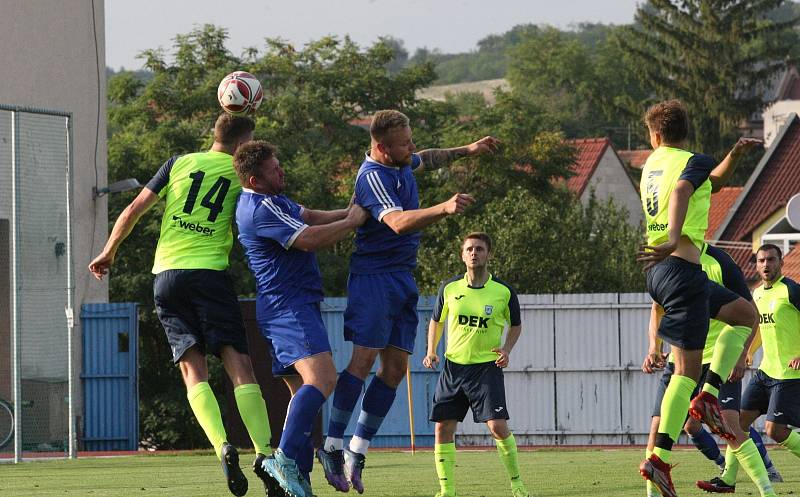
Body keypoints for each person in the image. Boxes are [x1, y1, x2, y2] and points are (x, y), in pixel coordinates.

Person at [316, 109, 500, 493]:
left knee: (396, 369)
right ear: (382, 147)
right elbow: (397, 222)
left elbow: (427, 158)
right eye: (404, 144)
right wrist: (444, 208)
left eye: (411, 140)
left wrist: (469, 148)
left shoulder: (399, 162)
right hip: (373, 279)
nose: (411, 148)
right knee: (363, 361)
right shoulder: (372, 177)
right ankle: (331, 444)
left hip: (401, 276)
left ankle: (357, 448)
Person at [88, 114, 271, 497]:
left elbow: (133, 209)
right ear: (243, 144)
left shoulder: (178, 163)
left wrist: (108, 251)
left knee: (193, 370)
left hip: (167, 277)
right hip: (210, 275)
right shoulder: (241, 171)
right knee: (239, 364)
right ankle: (264, 453)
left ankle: (222, 445)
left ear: (213, 135)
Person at [636, 100, 764, 497]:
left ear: (655, 135)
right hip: (681, 268)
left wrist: (734, 156)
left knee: (746, 315)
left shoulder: (650, 165)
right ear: (684, 131)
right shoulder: (690, 164)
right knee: (685, 372)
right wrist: (674, 237)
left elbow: (713, 182)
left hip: (661, 273)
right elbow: (683, 189)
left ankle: (702, 403)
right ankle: (662, 454)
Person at [233, 140, 369, 497]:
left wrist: (348, 212)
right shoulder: (260, 207)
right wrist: (352, 222)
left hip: (285, 306)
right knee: (324, 378)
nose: (282, 171)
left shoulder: (273, 200)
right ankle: (282, 461)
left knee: (302, 399)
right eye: (274, 169)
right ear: (254, 179)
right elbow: (307, 238)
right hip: (288, 307)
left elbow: (308, 216)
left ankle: (298, 482)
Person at [642, 242, 779, 497]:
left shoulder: (721, 261)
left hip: (717, 362)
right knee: (658, 427)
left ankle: (767, 490)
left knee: (730, 427)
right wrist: (653, 347)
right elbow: (657, 307)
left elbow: (751, 313)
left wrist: (741, 355)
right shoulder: (670, 262)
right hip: (681, 359)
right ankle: (653, 493)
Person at [422, 232, 530, 497]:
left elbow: (516, 325)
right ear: (462, 255)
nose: (474, 253)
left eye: (479, 249)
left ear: (488, 254)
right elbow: (436, 320)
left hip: (486, 369)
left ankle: (516, 483)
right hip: (453, 368)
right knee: (442, 427)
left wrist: (506, 349)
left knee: (497, 426)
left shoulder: (503, 292)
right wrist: (431, 350)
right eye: (469, 249)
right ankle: (447, 490)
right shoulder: (449, 289)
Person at [698, 244, 800, 492]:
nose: (766, 265)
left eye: (771, 260)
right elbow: (758, 331)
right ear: (756, 265)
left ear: (781, 262)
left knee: (775, 431)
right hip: (766, 372)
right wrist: (747, 352)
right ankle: (728, 480)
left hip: (788, 373)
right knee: (736, 423)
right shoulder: (756, 294)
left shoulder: (791, 290)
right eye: (762, 261)